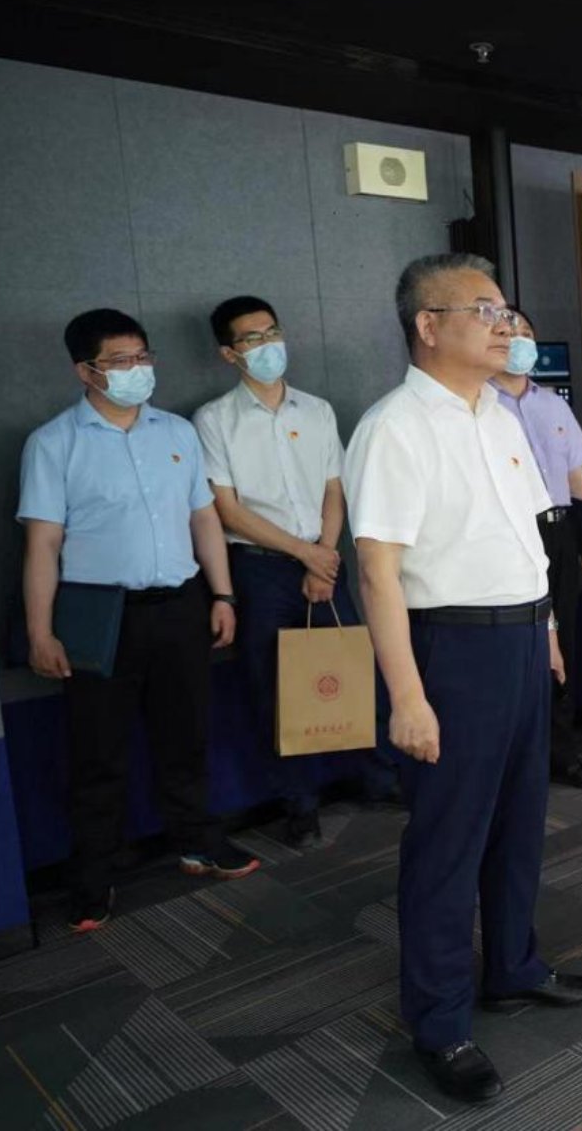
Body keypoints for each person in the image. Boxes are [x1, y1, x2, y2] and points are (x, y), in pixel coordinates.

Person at [345, 254, 582, 1105]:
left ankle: (514, 967)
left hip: (522, 637)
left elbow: (526, 538)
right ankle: (439, 1021)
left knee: (519, 821)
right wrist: (406, 696)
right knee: (447, 841)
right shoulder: (393, 427)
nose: (505, 326)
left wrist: (548, 629)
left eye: (505, 311)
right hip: (450, 649)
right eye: (484, 311)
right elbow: (377, 573)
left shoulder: (498, 413)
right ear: (428, 325)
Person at [20, 308, 259, 933]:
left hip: (180, 606)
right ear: (85, 371)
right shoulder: (53, 443)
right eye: (120, 361)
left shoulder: (176, 432)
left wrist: (223, 596)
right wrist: (41, 632)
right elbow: (43, 544)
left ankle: (198, 839)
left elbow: (204, 519)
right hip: (101, 616)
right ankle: (93, 876)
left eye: (142, 357)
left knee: (188, 734)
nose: (136, 370)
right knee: (98, 753)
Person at [193, 295, 389, 849]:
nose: (268, 345)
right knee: (276, 689)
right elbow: (228, 510)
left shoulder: (317, 410)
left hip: (324, 560)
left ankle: (377, 778)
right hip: (260, 570)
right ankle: (299, 803)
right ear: (229, 353)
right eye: (252, 338)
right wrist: (306, 555)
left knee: (354, 670)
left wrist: (323, 556)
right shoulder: (214, 419)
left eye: (273, 332)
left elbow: (334, 489)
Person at [494, 307, 582, 789]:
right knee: (523, 646)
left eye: (526, 332)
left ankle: (562, 753)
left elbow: (576, 476)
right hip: (511, 535)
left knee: (565, 645)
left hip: (560, 533)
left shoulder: (553, 405)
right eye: (508, 331)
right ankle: (518, 757)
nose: (518, 339)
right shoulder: (481, 404)